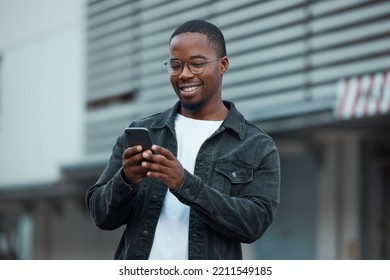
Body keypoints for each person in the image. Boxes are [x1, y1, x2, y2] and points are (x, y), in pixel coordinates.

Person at [86, 19, 280, 260]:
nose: (185, 74)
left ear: (223, 65)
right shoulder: (142, 131)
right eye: (175, 65)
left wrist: (184, 184)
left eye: (197, 64)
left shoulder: (256, 145)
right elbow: (101, 216)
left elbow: (254, 223)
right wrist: (126, 179)